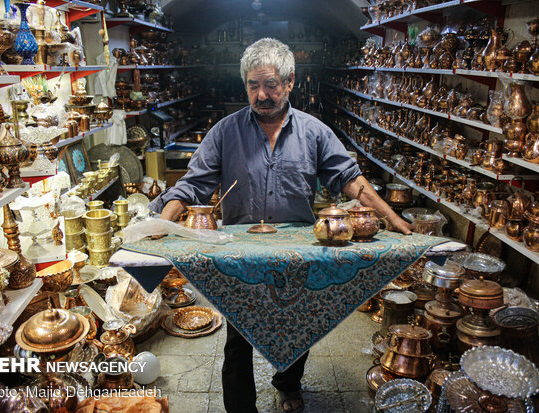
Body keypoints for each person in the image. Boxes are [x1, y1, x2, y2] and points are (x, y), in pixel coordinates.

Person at [150, 38, 412, 413]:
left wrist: (396, 220)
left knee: (298, 327)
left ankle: (288, 382)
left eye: (271, 85)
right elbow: (192, 185)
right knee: (238, 340)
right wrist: (162, 225)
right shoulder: (225, 132)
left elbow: (353, 182)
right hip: (241, 260)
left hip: (297, 257)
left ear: (290, 82)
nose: (261, 95)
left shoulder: (314, 132)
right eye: (253, 86)